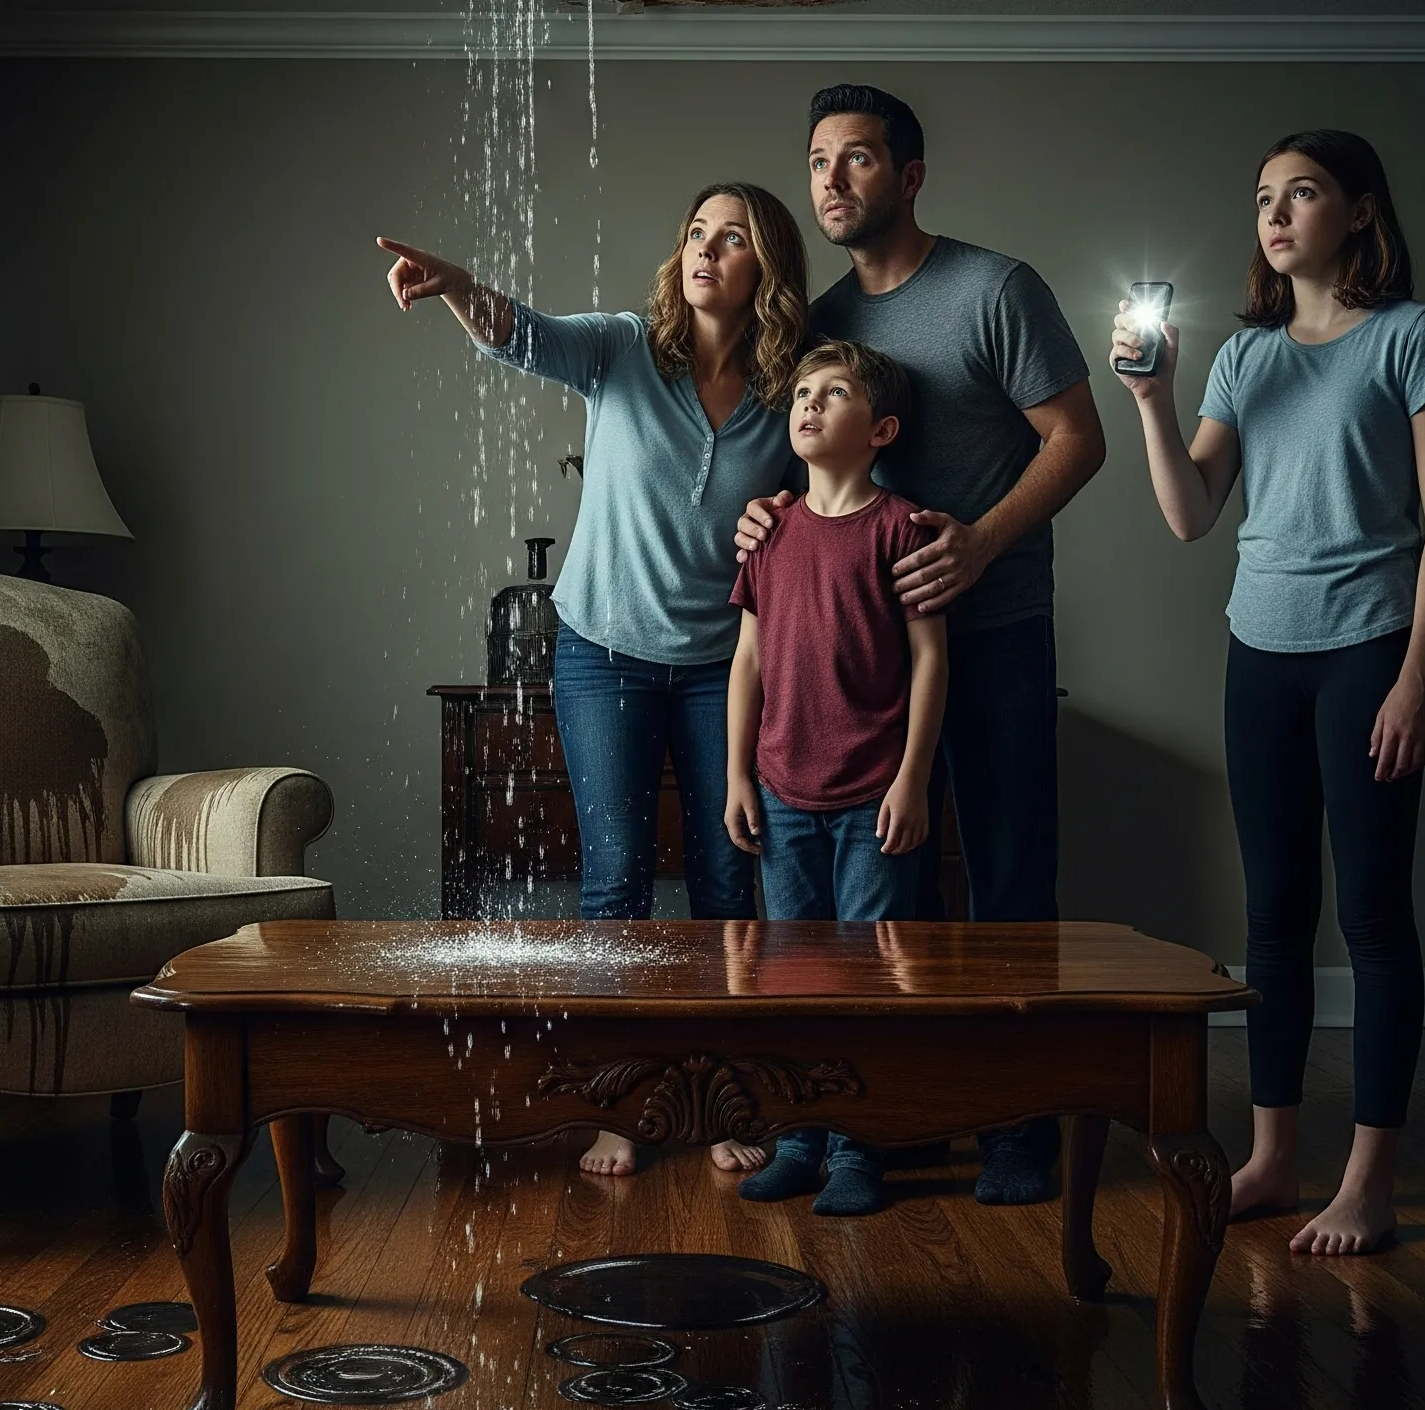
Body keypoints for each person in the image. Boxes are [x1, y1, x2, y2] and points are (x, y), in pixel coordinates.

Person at [379, 183, 809, 1178]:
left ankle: (720, 1095)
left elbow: (826, 485)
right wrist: (456, 286)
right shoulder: (624, 348)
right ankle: (625, 1104)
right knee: (614, 882)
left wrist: (782, 514)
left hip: (720, 666)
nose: (705, 249)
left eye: (731, 238)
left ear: (765, 271)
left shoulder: (785, 390)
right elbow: (520, 335)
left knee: (722, 877)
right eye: (695, 229)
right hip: (603, 651)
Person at [736, 85, 1106, 1206]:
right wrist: (758, 515)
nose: (831, 182)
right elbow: (805, 458)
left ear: (908, 174)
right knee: (869, 909)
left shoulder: (995, 289)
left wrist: (980, 543)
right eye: (815, 163)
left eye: (854, 160)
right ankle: (876, 1123)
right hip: (852, 666)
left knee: (1003, 885)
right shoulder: (822, 321)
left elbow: (1076, 441)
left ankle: (1011, 1125)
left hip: (985, 637)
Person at [1109, 129, 1425, 1256]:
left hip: (1367, 646)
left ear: (1358, 212)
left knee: (1368, 912)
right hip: (1255, 651)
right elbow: (1187, 513)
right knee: (1270, 916)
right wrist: (1150, 398)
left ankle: (1369, 1180)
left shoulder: (1413, 337)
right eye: (1262, 196)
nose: (1274, 213)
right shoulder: (1244, 356)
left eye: (1301, 192)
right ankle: (1272, 1155)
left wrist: (1418, 676)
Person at [722, 340, 948, 1215]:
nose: (810, 405)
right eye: (802, 393)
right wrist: (739, 776)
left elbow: (931, 663)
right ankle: (800, 1137)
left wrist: (913, 780)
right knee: (794, 976)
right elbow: (746, 664)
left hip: (873, 797)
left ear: (880, 428)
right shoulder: (770, 533)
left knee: (870, 975)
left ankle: (861, 1148)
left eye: (836, 393)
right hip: (783, 794)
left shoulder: (901, 528)